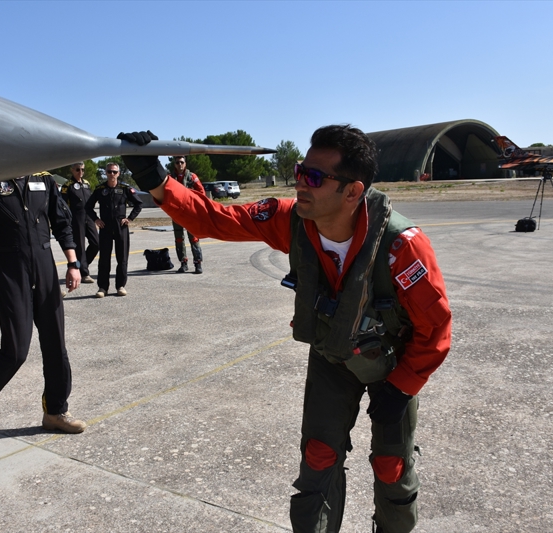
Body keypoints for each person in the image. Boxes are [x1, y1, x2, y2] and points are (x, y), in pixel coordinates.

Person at [118, 127, 451, 533]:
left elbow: (436, 328)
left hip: (393, 365)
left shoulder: (403, 246)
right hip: (333, 355)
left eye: (314, 177)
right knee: (318, 456)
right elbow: (216, 219)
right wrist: (154, 177)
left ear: (352, 192)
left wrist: (402, 387)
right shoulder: (291, 221)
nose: (300, 184)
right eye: (299, 171)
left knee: (391, 464)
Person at [0, 171, 87, 441]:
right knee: (15, 350)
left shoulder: (44, 179)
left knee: (56, 345)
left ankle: (55, 411)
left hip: (44, 264)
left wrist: (73, 264)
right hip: (10, 267)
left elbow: (62, 223)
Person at [85, 162, 142, 297]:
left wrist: (130, 218)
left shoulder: (125, 188)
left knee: (122, 258)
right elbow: (88, 207)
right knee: (104, 258)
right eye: (109, 171)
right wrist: (96, 219)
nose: (112, 174)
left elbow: (139, 204)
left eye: (114, 172)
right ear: (106, 173)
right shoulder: (100, 189)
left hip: (121, 226)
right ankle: (103, 288)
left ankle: (120, 286)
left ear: (118, 173)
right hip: (105, 227)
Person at [60, 162, 99, 283]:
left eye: (82, 170)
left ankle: (82, 265)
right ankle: (84, 273)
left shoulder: (87, 184)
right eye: (77, 169)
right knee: (80, 247)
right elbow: (62, 205)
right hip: (76, 219)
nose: (80, 172)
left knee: (96, 243)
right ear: (72, 170)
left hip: (89, 217)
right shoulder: (67, 186)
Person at [169, 156, 205, 274]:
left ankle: (197, 263)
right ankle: (183, 263)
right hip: (177, 212)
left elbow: (201, 192)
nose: (180, 164)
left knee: (194, 238)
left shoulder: (192, 177)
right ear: (175, 164)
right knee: (179, 239)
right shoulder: (170, 178)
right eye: (177, 162)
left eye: (182, 162)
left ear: (185, 164)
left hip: (190, 212)